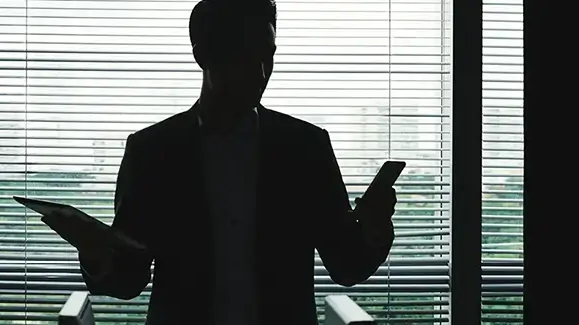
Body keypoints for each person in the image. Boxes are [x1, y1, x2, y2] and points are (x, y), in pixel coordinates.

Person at [75, 1, 397, 324]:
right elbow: (130, 277)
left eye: (267, 55)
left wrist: (374, 227)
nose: (260, 72)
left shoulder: (306, 148)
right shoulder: (150, 152)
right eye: (244, 54)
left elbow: (346, 265)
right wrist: (96, 255)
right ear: (202, 54)